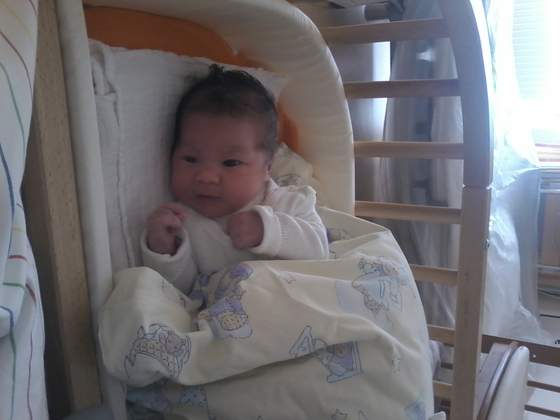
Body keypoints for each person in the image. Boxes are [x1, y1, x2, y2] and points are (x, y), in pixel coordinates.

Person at [141, 65, 329, 294]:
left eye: (230, 163)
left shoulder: (287, 203)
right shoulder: (182, 222)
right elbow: (184, 291)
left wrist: (268, 230)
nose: (206, 176)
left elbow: (320, 251)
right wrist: (165, 251)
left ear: (267, 168)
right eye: (190, 159)